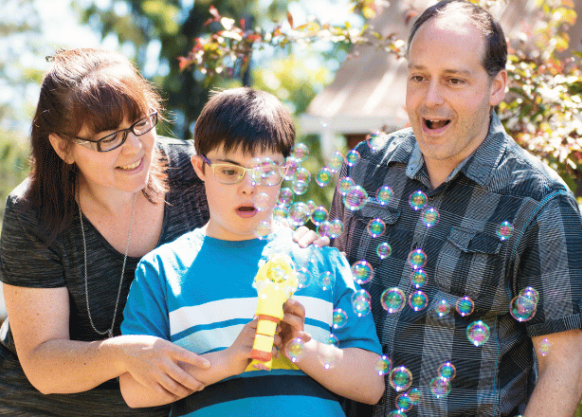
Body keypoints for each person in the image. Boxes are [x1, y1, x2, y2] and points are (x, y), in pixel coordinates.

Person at [0, 49, 321, 416]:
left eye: (141, 122)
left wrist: (292, 235)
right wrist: (126, 354)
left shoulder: (194, 171)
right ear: (64, 147)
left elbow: (259, 200)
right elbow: (41, 364)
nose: (135, 148)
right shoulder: (33, 212)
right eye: (107, 138)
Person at [329, 1, 582, 416]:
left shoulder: (539, 203)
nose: (430, 99)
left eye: (454, 80)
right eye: (419, 77)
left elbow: (563, 364)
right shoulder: (364, 169)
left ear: (497, 86)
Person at [120, 87, 384, 416]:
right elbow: (134, 389)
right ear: (200, 169)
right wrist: (227, 361)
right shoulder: (163, 270)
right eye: (230, 171)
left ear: (286, 171)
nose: (249, 187)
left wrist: (301, 347)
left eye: (264, 171)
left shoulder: (324, 262)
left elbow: (372, 385)